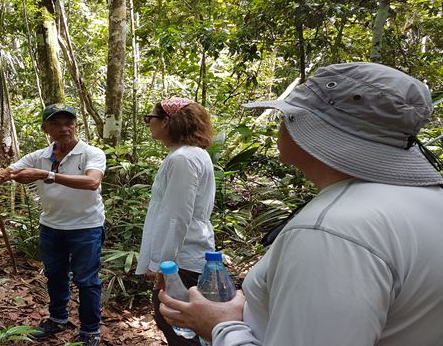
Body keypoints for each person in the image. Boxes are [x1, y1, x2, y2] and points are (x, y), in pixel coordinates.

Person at [158, 62, 443, 346]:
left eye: (287, 116)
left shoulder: (330, 231)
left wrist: (221, 326)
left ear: (309, 128)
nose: (282, 125)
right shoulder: (427, 199)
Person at [0, 104, 106, 346]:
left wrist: (46, 175)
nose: (64, 128)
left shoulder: (91, 153)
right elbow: (5, 175)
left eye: (68, 122)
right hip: (51, 227)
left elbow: (91, 182)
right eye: (56, 123)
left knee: (86, 280)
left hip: (85, 227)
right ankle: (57, 319)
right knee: (55, 276)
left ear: (76, 124)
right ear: (45, 128)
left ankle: (90, 331)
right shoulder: (39, 156)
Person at [135, 97, 216, 346]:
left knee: (177, 324)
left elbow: (176, 217)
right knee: (176, 322)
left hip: (183, 258)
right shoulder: (190, 155)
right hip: (187, 253)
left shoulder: (183, 159)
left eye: (151, 118)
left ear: (168, 121)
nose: (149, 123)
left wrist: (162, 265)